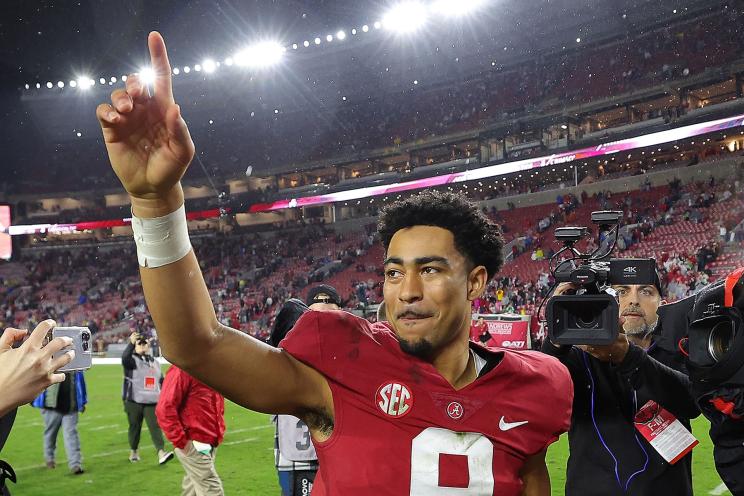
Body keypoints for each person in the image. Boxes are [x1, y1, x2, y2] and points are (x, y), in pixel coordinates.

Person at [97, 31, 573, 495]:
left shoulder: (537, 385)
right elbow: (196, 345)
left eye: (428, 270)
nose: (405, 290)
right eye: (392, 272)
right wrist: (156, 201)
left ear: (475, 282)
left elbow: (531, 478)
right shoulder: (343, 365)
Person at [541, 277, 700, 496]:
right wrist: (556, 337)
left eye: (645, 291)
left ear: (661, 305)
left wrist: (628, 357)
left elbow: (693, 402)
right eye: (622, 292)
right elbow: (543, 393)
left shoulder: (678, 351)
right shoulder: (579, 356)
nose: (633, 300)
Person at [270, 286, 342, 495]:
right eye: (317, 317)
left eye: (330, 316)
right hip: (298, 457)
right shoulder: (286, 349)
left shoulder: (353, 350)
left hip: (338, 453)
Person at [155, 366, 225, 496]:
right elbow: (164, 409)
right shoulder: (182, 369)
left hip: (208, 441)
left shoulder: (210, 368)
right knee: (211, 489)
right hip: (194, 442)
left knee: (193, 488)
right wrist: (182, 442)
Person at [121, 331, 173, 464]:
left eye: (145, 344)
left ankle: (161, 452)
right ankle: (134, 451)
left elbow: (161, 380)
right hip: (134, 401)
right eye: (140, 344)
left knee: (155, 426)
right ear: (135, 346)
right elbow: (125, 358)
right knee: (135, 427)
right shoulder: (131, 361)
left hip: (152, 401)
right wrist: (131, 344)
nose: (143, 346)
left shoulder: (155, 362)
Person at [31, 370, 87, 474]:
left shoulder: (75, 366)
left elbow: (81, 383)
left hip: (71, 407)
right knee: (51, 434)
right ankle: (49, 459)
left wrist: (82, 402)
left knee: (71, 435)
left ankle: (75, 465)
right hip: (51, 407)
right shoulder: (51, 364)